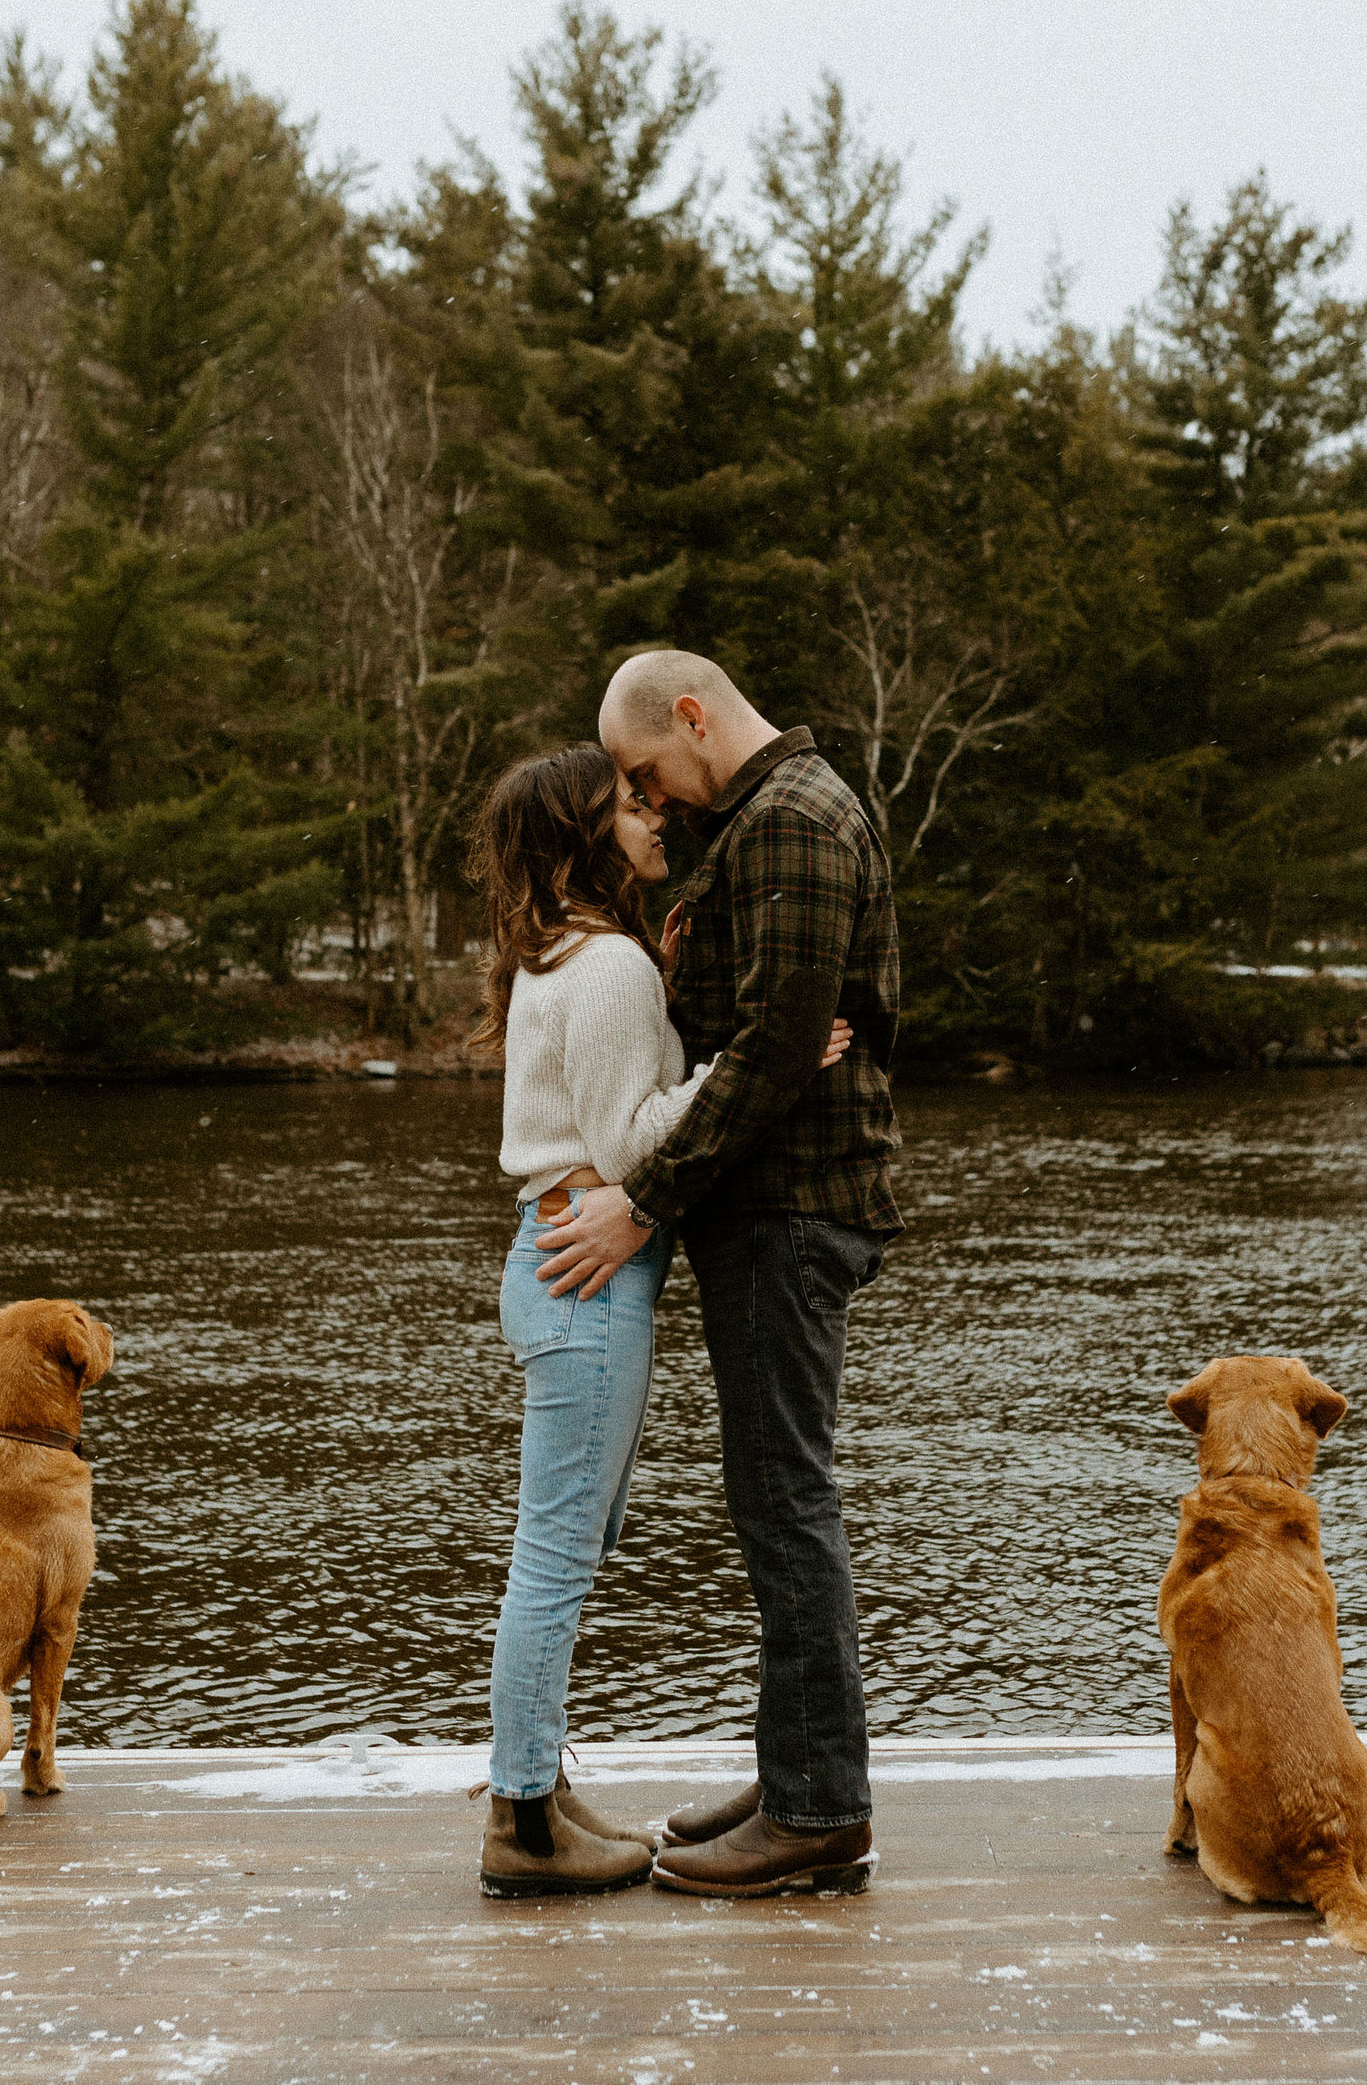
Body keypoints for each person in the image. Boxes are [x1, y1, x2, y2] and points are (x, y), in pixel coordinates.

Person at [535, 650, 900, 1899]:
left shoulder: (793, 819)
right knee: (770, 1500)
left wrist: (638, 1201)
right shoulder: (760, 820)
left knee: (785, 1502)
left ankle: (815, 1811)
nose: (654, 797)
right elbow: (755, 1037)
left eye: (645, 771)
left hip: (790, 1210)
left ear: (691, 717)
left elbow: (777, 1046)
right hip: (763, 1209)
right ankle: (794, 1770)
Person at [468, 740, 853, 1897]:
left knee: (561, 1553)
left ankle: (534, 1789)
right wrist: (757, 1059)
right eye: (627, 805)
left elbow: (614, 1111)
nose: (654, 817)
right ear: (582, 833)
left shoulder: (576, 956)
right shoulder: (605, 971)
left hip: (558, 1264)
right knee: (554, 1561)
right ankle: (522, 1824)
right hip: (586, 1277)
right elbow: (633, 1140)